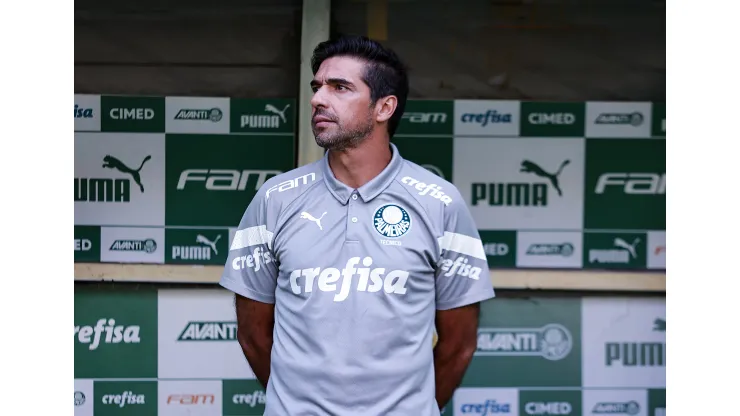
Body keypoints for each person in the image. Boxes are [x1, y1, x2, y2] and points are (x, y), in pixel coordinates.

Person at [220, 35, 496, 416]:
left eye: (340, 87)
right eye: (317, 87)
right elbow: (253, 334)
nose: (318, 98)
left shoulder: (440, 202)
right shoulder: (275, 198)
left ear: (384, 107)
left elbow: (458, 344)